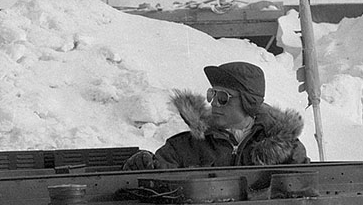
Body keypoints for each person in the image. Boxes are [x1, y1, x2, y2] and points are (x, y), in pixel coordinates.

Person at [124, 61, 309, 170]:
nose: (213, 103)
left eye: (223, 97)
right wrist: (142, 164)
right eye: (212, 95)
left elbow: (305, 194)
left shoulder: (284, 149)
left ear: (248, 102)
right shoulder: (184, 147)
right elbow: (153, 179)